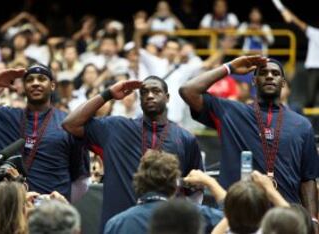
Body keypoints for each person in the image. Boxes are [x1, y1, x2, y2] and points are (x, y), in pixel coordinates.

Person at [179, 55, 319, 217]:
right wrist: (229, 68)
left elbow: (308, 179)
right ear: (254, 81)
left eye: (275, 73)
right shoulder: (230, 112)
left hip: (284, 215)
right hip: (238, 214)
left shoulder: (301, 125)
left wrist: (313, 220)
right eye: (263, 72)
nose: (269, 76)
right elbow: (188, 91)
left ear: (283, 83)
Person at [62, 77, 203, 229]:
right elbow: (70, 124)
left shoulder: (185, 139)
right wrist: (108, 94)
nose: (149, 95)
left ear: (167, 98)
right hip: (120, 228)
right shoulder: (116, 128)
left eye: (156, 91)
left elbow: (195, 190)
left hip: (164, 228)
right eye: (144, 92)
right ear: (140, 99)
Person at [0, 65, 89, 201]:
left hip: (48, 212)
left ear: (52, 86)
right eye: (30, 80)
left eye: (41, 79)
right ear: (23, 87)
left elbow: (81, 180)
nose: (35, 83)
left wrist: (58, 205)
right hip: (5, 210)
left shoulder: (67, 124)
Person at [280, 8, 319, 107]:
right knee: (310, 98)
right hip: (313, 68)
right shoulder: (314, 32)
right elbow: (299, 23)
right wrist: (289, 15)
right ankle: (308, 118)